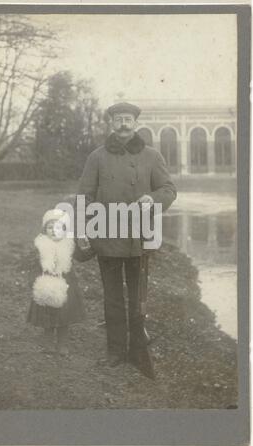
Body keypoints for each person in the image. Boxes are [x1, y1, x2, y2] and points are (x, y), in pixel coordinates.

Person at [77, 102, 177, 376]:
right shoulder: (96, 157)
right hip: (106, 234)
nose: (123, 124)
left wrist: (153, 198)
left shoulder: (152, 156)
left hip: (139, 237)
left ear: (135, 124)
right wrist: (82, 228)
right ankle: (116, 351)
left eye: (128, 119)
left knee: (137, 297)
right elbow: (84, 195)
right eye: (118, 119)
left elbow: (169, 189)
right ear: (111, 123)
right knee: (112, 297)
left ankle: (137, 350)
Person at [27, 208, 93, 356]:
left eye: (58, 227)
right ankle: (48, 342)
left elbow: (81, 256)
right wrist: (34, 280)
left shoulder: (68, 244)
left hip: (66, 283)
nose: (54, 231)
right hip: (46, 283)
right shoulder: (41, 245)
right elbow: (33, 264)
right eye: (50, 227)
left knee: (65, 315)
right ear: (45, 230)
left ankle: (63, 344)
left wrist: (88, 249)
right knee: (47, 313)